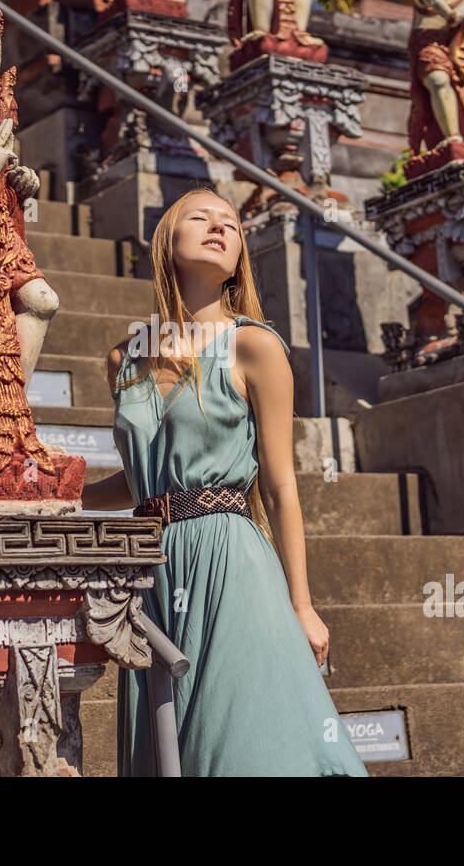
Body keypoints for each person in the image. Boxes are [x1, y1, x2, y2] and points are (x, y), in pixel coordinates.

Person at [83, 188, 368, 777]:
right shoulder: (124, 359)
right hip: (151, 565)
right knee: (168, 747)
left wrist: (303, 606)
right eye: (201, 217)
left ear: (240, 255)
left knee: (244, 742)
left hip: (231, 557)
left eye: (231, 225)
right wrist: (67, 497)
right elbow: (145, 479)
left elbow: (281, 486)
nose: (219, 229)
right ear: (167, 240)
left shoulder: (255, 346)